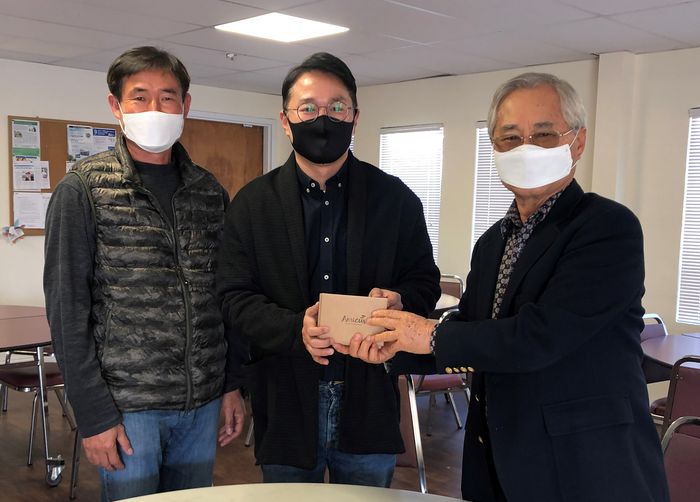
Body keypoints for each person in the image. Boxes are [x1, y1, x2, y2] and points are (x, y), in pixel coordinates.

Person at [339, 72, 670, 501]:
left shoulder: (607, 228)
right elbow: (473, 331)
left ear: (578, 142)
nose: (525, 148)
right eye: (510, 138)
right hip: (496, 460)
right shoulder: (493, 241)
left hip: (585, 465)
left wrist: (427, 333)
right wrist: (395, 340)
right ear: (494, 147)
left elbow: (540, 337)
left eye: (544, 134)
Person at [216, 52, 440, 486]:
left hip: (369, 396)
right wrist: (292, 328)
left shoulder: (395, 200)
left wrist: (401, 300)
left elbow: (424, 281)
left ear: (355, 117)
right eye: (308, 108)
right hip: (284, 396)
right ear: (285, 121)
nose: (323, 119)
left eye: (337, 107)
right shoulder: (252, 204)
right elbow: (233, 296)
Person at [43, 46, 245, 501]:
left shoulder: (209, 191)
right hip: (127, 407)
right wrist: (93, 415)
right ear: (116, 106)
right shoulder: (83, 190)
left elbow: (225, 295)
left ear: (185, 105)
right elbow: (67, 311)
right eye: (139, 97)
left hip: (202, 401)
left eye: (167, 97)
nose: (155, 108)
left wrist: (232, 385)